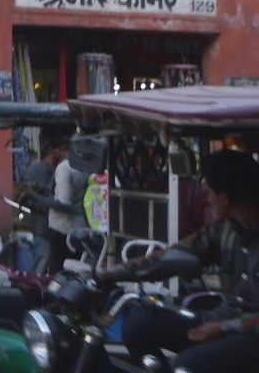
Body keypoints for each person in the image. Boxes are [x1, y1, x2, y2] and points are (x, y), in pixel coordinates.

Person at [103, 150, 259, 372]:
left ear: (225, 197)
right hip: (221, 319)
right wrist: (108, 274)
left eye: (209, 192)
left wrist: (225, 327)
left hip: (249, 331)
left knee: (190, 363)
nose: (207, 199)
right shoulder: (224, 230)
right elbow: (170, 257)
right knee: (139, 325)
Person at [34, 146, 89, 273]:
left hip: (61, 228)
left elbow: (64, 202)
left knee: (58, 271)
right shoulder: (87, 168)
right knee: (75, 269)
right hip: (80, 227)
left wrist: (35, 197)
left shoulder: (65, 167)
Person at [21, 140, 67, 273]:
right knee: (41, 259)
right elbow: (25, 198)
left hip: (60, 227)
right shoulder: (33, 171)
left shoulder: (62, 170)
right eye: (64, 150)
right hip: (42, 225)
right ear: (55, 150)